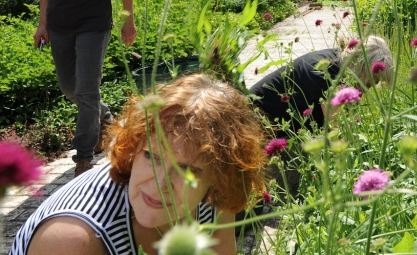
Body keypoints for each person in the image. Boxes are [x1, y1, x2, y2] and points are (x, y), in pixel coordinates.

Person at [10, 74, 267, 255]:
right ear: (133, 149)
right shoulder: (72, 239)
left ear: (219, 177)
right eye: (151, 157)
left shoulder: (213, 200)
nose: (160, 184)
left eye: (187, 169)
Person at [33, 0, 138, 177]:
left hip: (94, 23)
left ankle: (84, 155)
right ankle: (105, 118)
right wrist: (42, 23)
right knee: (70, 88)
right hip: (60, 23)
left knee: (87, 88)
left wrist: (128, 20)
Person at [250, 36, 393, 131]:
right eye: (373, 78)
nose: (376, 83)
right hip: (256, 119)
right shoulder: (328, 74)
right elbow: (338, 129)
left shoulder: (341, 62)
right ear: (361, 67)